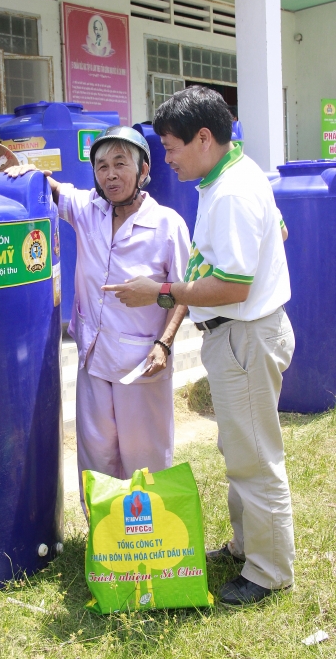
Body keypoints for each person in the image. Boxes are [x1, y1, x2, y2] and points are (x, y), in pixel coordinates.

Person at [103, 87, 295, 607]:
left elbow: (234, 287)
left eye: (170, 147)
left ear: (204, 138)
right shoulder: (234, 172)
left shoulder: (231, 192)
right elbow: (278, 232)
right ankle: (245, 545)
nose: (165, 159)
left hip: (244, 336)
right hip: (243, 335)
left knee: (254, 458)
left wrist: (160, 292)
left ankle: (269, 571)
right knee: (239, 447)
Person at [5, 126, 190, 508]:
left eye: (120, 164)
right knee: (97, 455)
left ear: (143, 170)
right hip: (92, 358)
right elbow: (54, 190)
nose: (110, 174)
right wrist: (27, 172)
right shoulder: (89, 209)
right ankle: (106, 539)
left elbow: (184, 292)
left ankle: (151, 538)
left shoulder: (168, 224)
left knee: (146, 456)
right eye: (102, 166)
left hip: (142, 363)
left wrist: (164, 344)